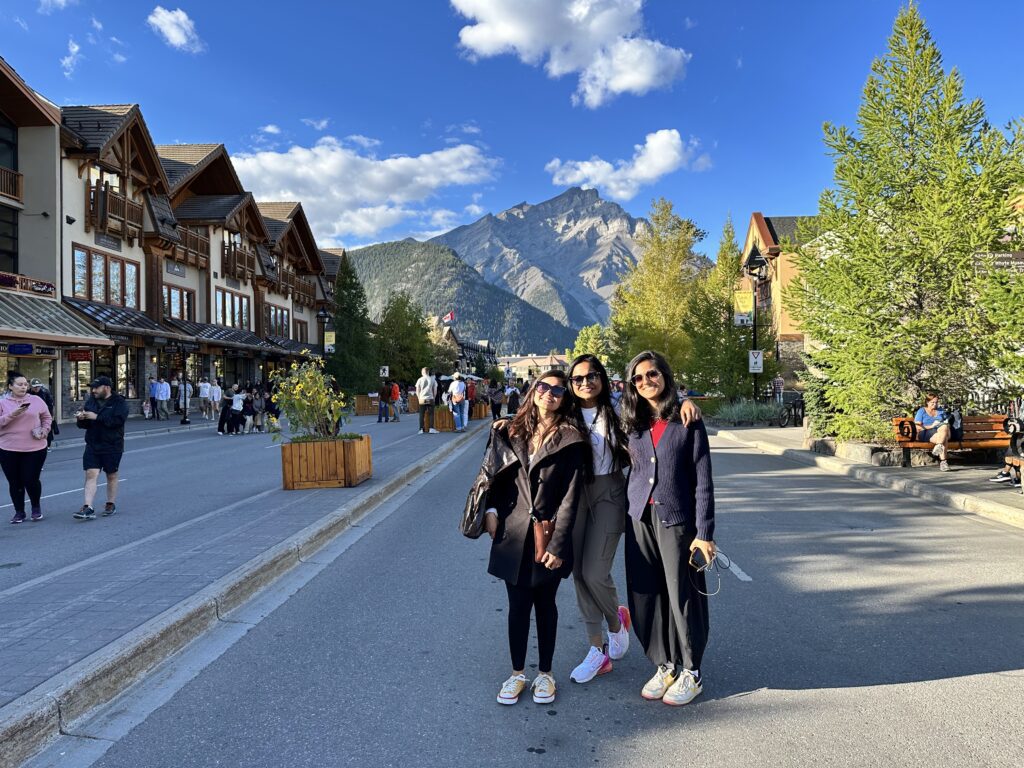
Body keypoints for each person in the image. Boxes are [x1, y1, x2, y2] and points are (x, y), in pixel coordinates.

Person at [565, 355, 703, 684]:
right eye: (578, 379)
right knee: (579, 575)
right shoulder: (565, 413)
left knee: (594, 571)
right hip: (573, 495)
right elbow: (536, 413)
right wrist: (505, 426)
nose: (585, 383)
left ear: (603, 378)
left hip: (612, 492)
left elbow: (653, 403)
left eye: (592, 375)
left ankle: (616, 622)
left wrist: (683, 400)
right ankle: (597, 650)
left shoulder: (617, 409)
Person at [472, 370, 588, 706]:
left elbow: (571, 497)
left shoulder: (571, 438)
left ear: (565, 398)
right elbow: (494, 476)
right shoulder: (509, 431)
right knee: (517, 606)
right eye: (543, 387)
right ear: (533, 391)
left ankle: (546, 674)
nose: (549, 393)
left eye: (558, 389)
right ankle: (517, 673)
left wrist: (559, 544)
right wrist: (491, 508)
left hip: (548, 533)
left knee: (546, 605)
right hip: (512, 532)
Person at [621, 350, 715, 707]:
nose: (646, 381)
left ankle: (692, 670)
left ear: (665, 375)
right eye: (639, 378)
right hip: (639, 519)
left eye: (652, 374)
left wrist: (704, 533)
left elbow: (703, 481)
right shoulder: (633, 421)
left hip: (676, 521)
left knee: (683, 597)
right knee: (646, 594)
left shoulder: (687, 419)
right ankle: (665, 664)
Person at [73, 375, 128, 520]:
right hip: (93, 443)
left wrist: (96, 417)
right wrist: (81, 419)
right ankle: (88, 507)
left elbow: (118, 421)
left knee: (111, 474)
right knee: (91, 473)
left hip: (112, 444)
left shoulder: (119, 402)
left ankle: (110, 503)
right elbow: (84, 425)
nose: (93, 390)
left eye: (96, 387)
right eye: (92, 388)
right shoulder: (91, 401)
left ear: (107, 388)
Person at [0, 374, 52, 523]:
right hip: (8, 448)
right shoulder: (3, 403)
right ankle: (19, 512)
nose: (23, 387)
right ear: (10, 386)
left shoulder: (36, 400)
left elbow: (47, 417)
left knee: (31, 479)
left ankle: (36, 507)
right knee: (15, 482)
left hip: (35, 448)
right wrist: (12, 415)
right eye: (19, 384)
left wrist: (45, 429)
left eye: (25, 384)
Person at [914, 393, 950, 471]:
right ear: (927, 402)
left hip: (940, 432)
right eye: (932, 402)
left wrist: (946, 428)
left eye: (936, 402)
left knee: (944, 426)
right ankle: (943, 462)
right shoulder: (921, 411)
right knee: (945, 439)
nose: (935, 404)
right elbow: (918, 427)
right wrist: (931, 426)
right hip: (926, 432)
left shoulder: (940, 410)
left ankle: (938, 445)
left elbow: (946, 422)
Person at [29, 378, 58, 448]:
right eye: (34, 386)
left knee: (47, 429)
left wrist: (52, 415)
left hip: (45, 414)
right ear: (31, 386)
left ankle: (48, 445)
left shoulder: (45, 392)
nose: (36, 388)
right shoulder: (28, 393)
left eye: (38, 386)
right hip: (33, 415)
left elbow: (51, 404)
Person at [415, 367, 438, 434]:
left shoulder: (419, 380)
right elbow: (435, 390)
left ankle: (421, 429)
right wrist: (434, 397)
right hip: (430, 398)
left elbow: (417, 390)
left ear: (423, 372)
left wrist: (419, 398)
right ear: (428, 372)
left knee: (421, 414)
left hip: (422, 398)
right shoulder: (433, 380)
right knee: (431, 414)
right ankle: (431, 428)